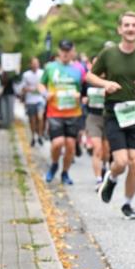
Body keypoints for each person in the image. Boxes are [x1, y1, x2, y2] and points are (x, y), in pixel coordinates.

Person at [85, 11, 135, 220]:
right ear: (120, 29)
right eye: (126, 25)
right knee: (121, 162)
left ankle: (127, 204)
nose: (130, 28)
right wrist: (105, 83)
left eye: (134, 25)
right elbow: (90, 75)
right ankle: (111, 178)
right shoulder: (108, 54)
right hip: (114, 113)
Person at [41, 40, 85, 185]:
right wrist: (45, 93)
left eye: (68, 50)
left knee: (71, 145)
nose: (65, 53)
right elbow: (41, 84)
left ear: (73, 51)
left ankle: (65, 173)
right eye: (62, 50)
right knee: (57, 143)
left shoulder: (79, 69)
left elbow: (85, 87)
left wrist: (82, 96)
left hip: (73, 113)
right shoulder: (50, 67)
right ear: (59, 51)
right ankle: (54, 164)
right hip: (55, 112)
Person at [82, 54, 111, 190]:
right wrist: (83, 99)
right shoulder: (87, 81)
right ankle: (99, 180)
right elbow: (81, 95)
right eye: (94, 64)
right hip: (93, 117)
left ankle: (104, 167)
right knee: (97, 148)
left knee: (107, 151)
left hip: (109, 117)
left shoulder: (111, 80)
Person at [21, 57, 46, 145]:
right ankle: (33, 137)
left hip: (40, 100)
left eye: (37, 63)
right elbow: (23, 88)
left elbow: (45, 85)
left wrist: (42, 90)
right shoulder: (26, 75)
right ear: (30, 65)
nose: (35, 65)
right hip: (30, 100)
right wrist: (31, 89)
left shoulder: (42, 73)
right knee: (32, 120)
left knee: (40, 118)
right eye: (33, 63)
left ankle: (40, 135)